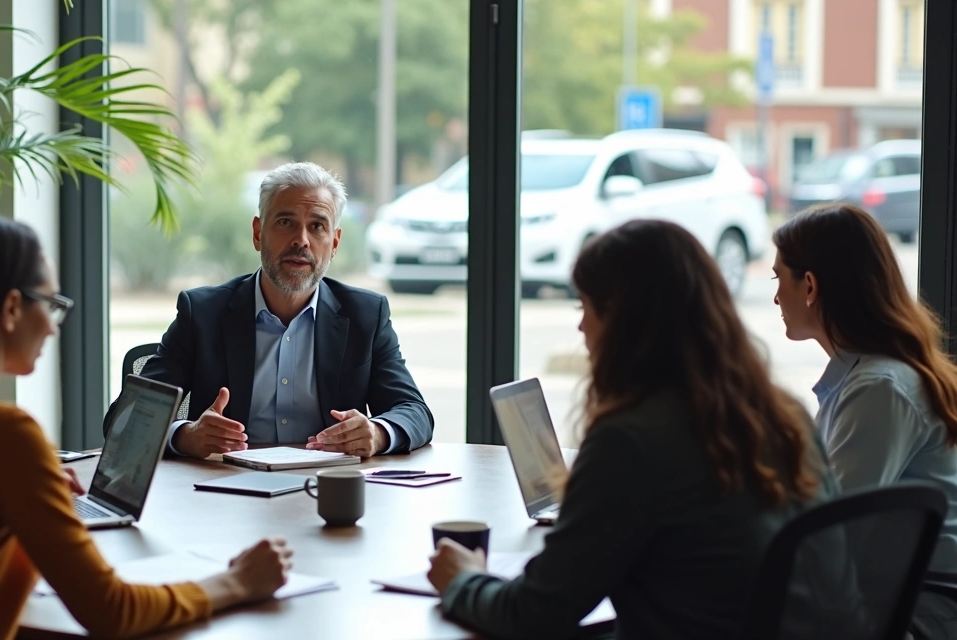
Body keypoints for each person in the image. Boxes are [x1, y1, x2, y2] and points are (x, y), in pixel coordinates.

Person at [0, 215, 293, 639]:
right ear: (11, 309)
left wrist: (35, 500)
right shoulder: (4, 434)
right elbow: (113, 611)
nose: (53, 328)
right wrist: (236, 581)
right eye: (50, 305)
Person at [427, 220, 835, 639]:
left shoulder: (629, 440)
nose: (582, 327)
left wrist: (464, 579)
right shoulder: (784, 414)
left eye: (586, 307)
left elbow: (534, 614)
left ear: (625, 321)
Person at [106, 161, 433, 459]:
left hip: (329, 490)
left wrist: (376, 433)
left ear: (334, 243)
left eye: (317, 226)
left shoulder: (366, 315)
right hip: (228, 493)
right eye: (285, 222)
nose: (301, 240)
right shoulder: (203, 314)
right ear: (258, 233)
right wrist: (186, 436)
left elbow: (414, 412)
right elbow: (124, 418)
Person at [772, 203, 957, 639]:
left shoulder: (879, 390)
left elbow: (829, 538)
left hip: (924, 610)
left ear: (811, 286)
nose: (777, 297)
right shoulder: (869, 379)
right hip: (902, 599)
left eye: (779, 278)